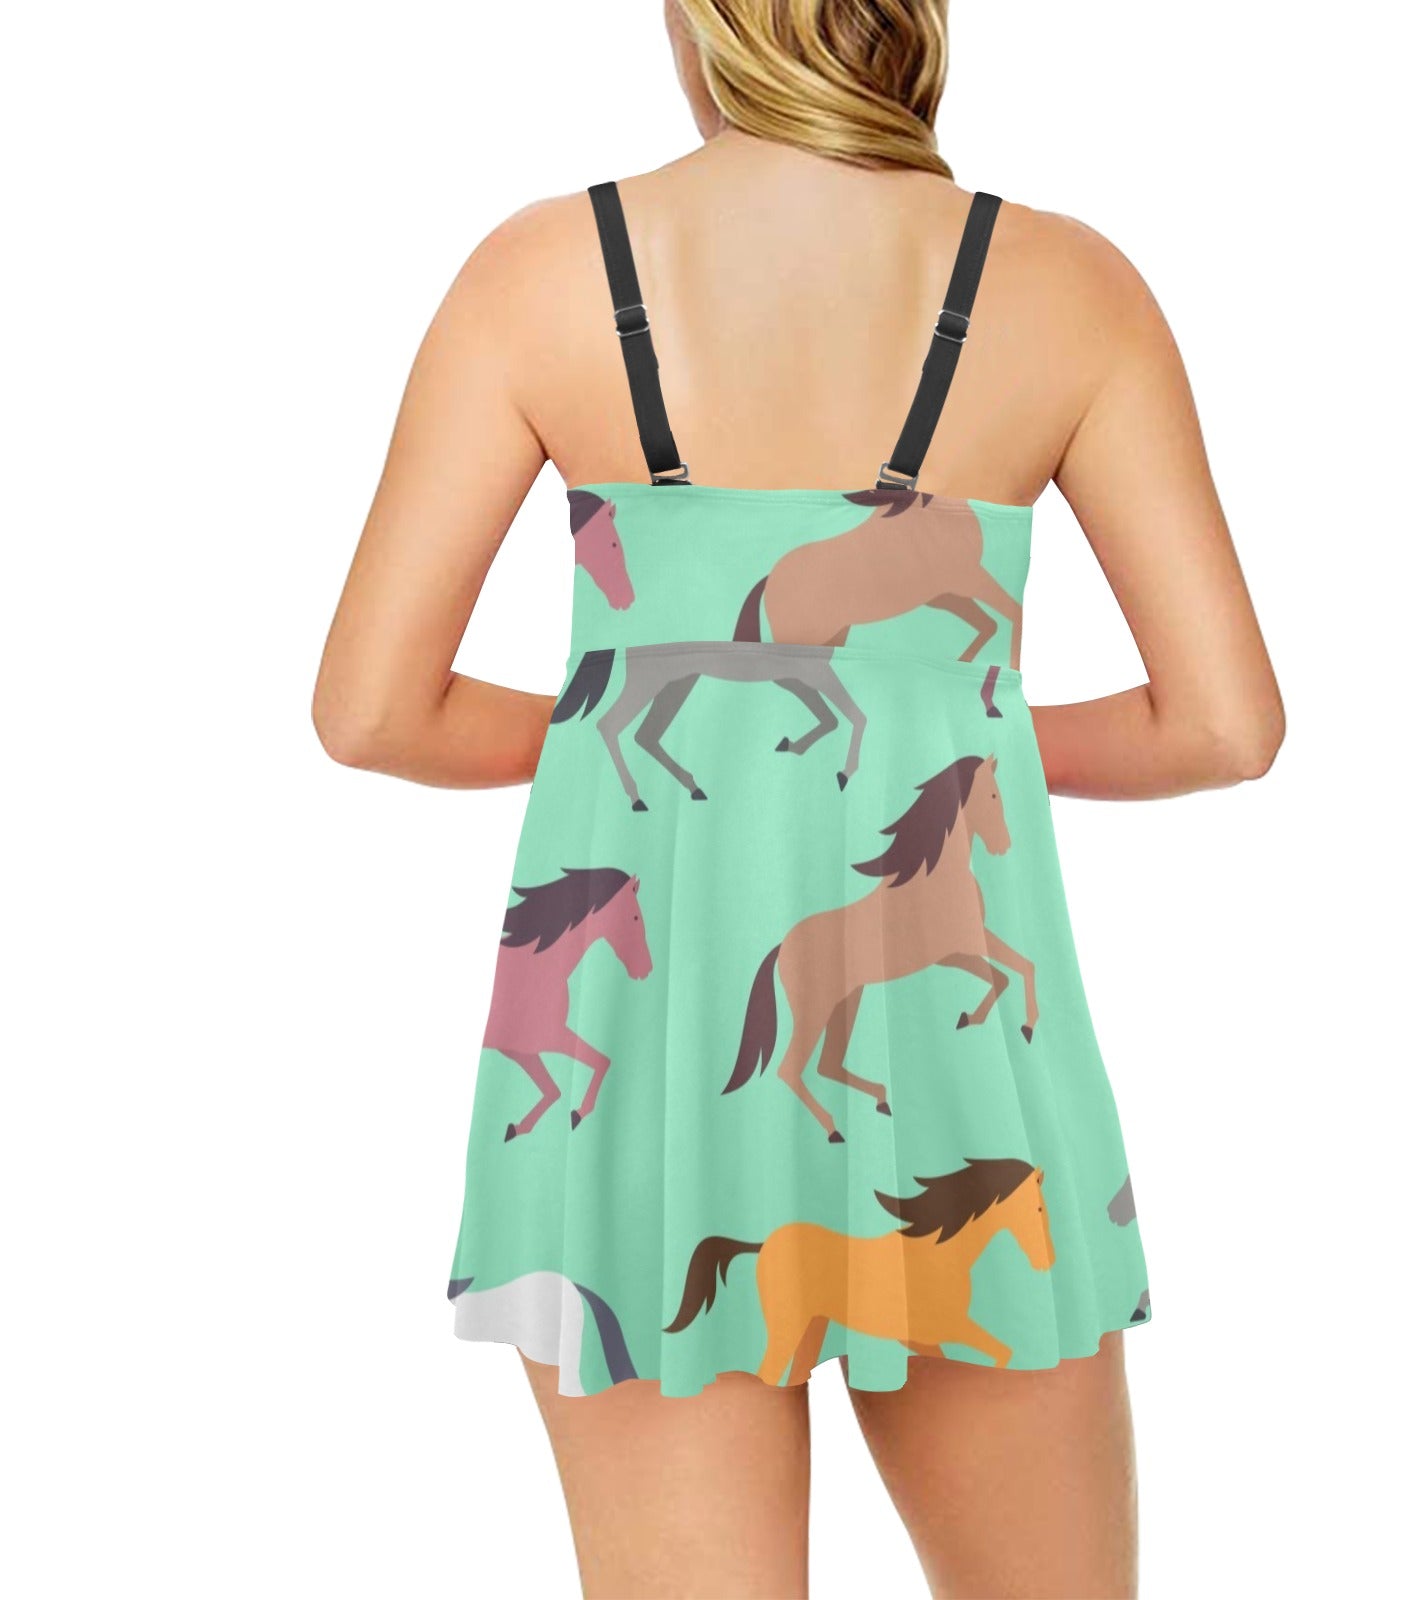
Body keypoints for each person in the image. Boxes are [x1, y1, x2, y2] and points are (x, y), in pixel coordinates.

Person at [313, 2, 1283, 1594]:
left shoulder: (540, 275)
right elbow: (1223, 726)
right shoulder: (1067, 287)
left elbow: (371, 710)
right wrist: (942, 722)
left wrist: (651, 710)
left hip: (642, 1086)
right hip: (961, 1081)